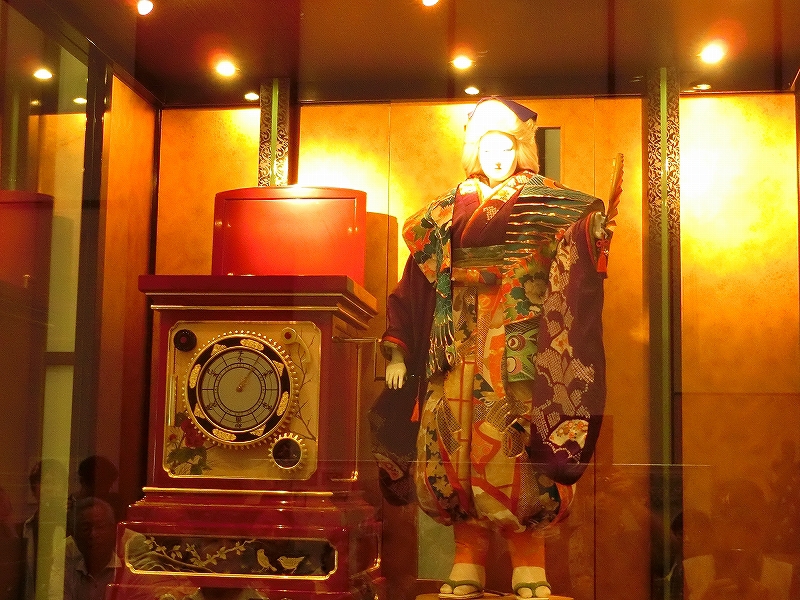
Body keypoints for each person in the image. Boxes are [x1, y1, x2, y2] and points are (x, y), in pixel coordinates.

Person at [377, 97, 614, 599]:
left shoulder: (546, 202)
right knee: (453, 447)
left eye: (506, 148)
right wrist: (398, 348)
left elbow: (577, 238)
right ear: (474, 153)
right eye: (487, 149)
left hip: (518, 344)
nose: (497, 158)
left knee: (517, 449)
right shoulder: (445, 212)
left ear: (522, 150)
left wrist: (593, 234)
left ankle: (531, 565)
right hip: (454, 343)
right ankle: (467, 559)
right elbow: (415, 283)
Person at [56, 497, 120, 600]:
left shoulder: (129, 570)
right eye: (85, 528)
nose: (93, 534)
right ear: (74, 535)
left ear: (114, 530)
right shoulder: (65, 570)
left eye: (100, 527)